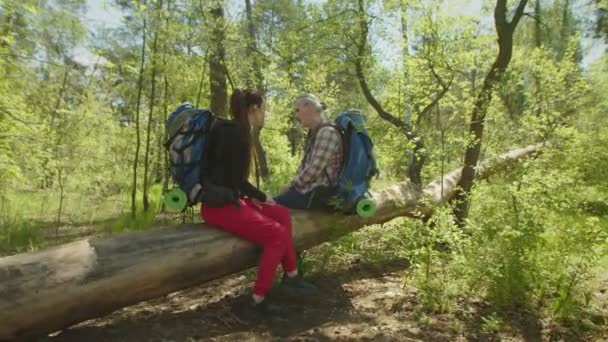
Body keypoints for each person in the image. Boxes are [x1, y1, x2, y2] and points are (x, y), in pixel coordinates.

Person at [200, 88, 318, 318]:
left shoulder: (234, 130)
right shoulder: (236, 134)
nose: (264, 114)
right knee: (276, 234)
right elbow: (235, 180)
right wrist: (262, 196)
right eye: (263, 109)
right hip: (219, 207)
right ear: (253, 109)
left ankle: (292, 278)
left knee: (282, 214)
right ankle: (257, 301)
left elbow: (230, 178)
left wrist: (257, 196)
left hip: (231, 199)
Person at [275, 93, 343, 209]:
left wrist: (291, 185)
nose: (296, 115)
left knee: (269, 205)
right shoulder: (316, 133)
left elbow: (313, 170)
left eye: (297, 110)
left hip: (318, 195)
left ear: (309, 107)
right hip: (309, 193)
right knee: (271, 202)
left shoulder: (326, 132)